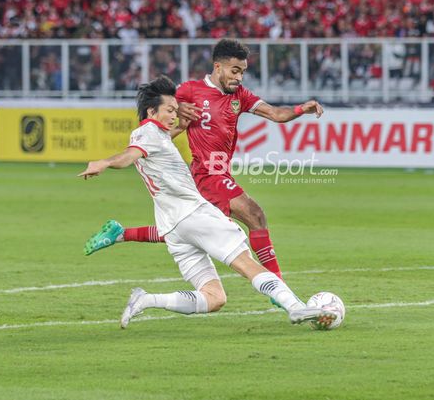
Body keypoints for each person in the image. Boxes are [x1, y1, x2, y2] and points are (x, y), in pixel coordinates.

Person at [78, 76, 337, 329]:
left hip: (173, 229)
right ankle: (296, 307)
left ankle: (146, 299)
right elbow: (129, 156)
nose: (174, 115)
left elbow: (153, 143)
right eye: (169, 110)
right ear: (151, 111)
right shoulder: (148, 135)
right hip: (195, 216)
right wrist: (105, 163)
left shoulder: (153, 134)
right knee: (248, 264)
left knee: (214, 298)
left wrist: (179, 125)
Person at [84, 39, 324, 281]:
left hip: (218, 174)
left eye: (242, 72)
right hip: (206, 175)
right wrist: (178, 109)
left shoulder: (240, 95)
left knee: (181, 231)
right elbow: (158, 106)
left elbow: (274, 114)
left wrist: (301, 109)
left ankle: (120, 234)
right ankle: (278, 285)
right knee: (255, 215)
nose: (239, 78)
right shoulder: (190, 90)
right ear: (217, 67)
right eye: (235, 71)